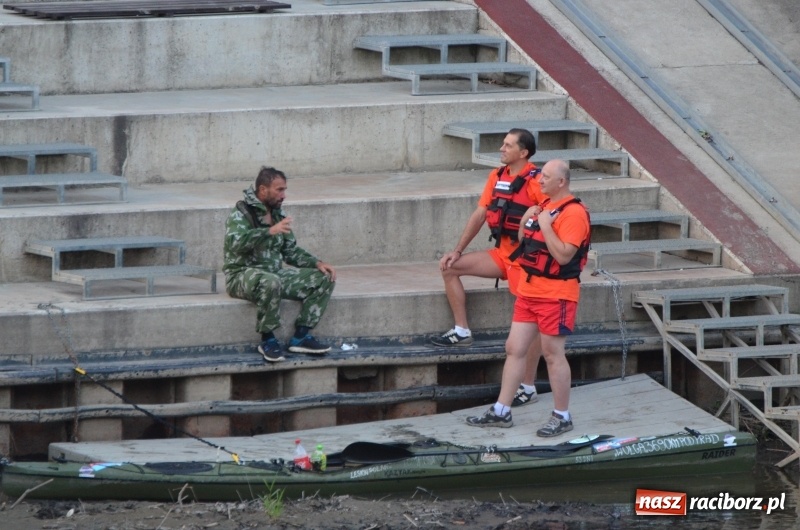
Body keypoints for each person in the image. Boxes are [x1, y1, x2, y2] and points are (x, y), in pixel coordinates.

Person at [466, 159, 590, 437]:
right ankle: (501, 410)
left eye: (546, 177)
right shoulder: (544, 206)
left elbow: (563, 255)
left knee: (553, 354)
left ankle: (562, 416)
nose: (540, 180)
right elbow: (525, 242)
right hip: (529, 291)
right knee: (514, 348)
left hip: (556, 295)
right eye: (540, 175)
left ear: (562, 182)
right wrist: (526, 220)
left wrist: (545, 225)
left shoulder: (573, 213)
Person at [432, 128, 545, 407]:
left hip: (525, 262)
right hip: (501, 255)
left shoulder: (537, 180)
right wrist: (457, 249)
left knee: (530, 323)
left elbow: (552, 212)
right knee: (450, 267)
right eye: (502, 143)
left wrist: (532, 216)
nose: (501, 149)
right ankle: (462, 330)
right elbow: (481, 213)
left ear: (524, 153)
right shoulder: (496, 177)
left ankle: (528, 386)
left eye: (507, 145)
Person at [223, 166, 336, 362]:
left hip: (274, 274)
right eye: (279, 190)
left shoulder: (277, 215)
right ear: (263, 189)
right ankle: (267, 340)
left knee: (324, 278)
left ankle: (300, 337)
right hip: (241, 276)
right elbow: (235, 244)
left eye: (284, 189)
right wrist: (267, 232)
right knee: (270, 281)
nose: (284, 195)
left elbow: (290, 251)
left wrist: (317, 263)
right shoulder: (241, 213)